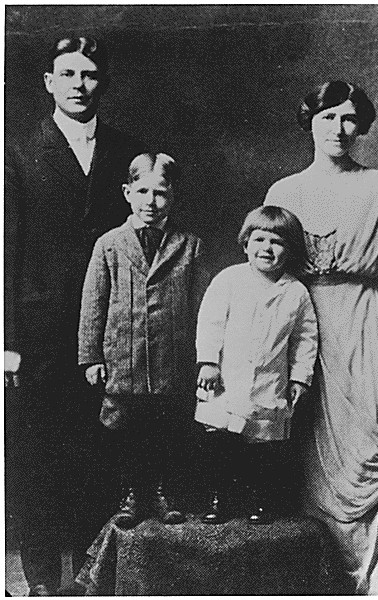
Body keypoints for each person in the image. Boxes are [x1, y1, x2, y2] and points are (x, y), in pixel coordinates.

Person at [5, 36, 146, 595]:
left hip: (111, 328)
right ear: (49, 82)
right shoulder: (17, 153)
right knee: (38, 455)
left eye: (89, 75)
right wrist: (7, 339)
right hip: (40, 333)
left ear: (101, 82)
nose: (79, 84)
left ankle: (93, 580)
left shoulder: (128, 152)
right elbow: (4, 247)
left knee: (99, 451)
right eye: (68, 74)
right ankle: (41, 583)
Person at [264, 81, 378, 594]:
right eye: (327, 118)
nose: (339, 129)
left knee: (371, 444)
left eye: (349, 118)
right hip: (304, 326)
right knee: (309, 450)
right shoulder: (284, 192)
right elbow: (268, 276)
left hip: (371, 325)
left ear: (362, 125)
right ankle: (322, 584)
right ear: (310, 122)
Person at [78, 152, 209, 529]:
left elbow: (203, 306)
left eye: (161, 193)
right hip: (123, 357)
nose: (151, 202)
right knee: (126, 429)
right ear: (127, 192)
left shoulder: (190, 245)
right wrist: (90, 357)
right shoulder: (109, 244)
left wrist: (205, 359)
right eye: (142, 191)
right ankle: (132, 495)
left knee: (167, 427)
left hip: (173, 358)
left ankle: (164, 493)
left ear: (174, 196)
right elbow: (93, 302)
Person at [195, 206, 318, 524]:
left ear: (289, 250)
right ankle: (218, 498)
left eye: (276, 242)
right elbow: (210, 322)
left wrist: (300, 378)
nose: (267, 248)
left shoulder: (295, 292)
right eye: (259, 239)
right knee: (220, 441)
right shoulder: (230, 280)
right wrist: (208, 362)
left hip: (270, 383)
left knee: (262, 449)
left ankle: (257, 501)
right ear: (246, 243)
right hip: (226, 380)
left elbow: (305, 339)